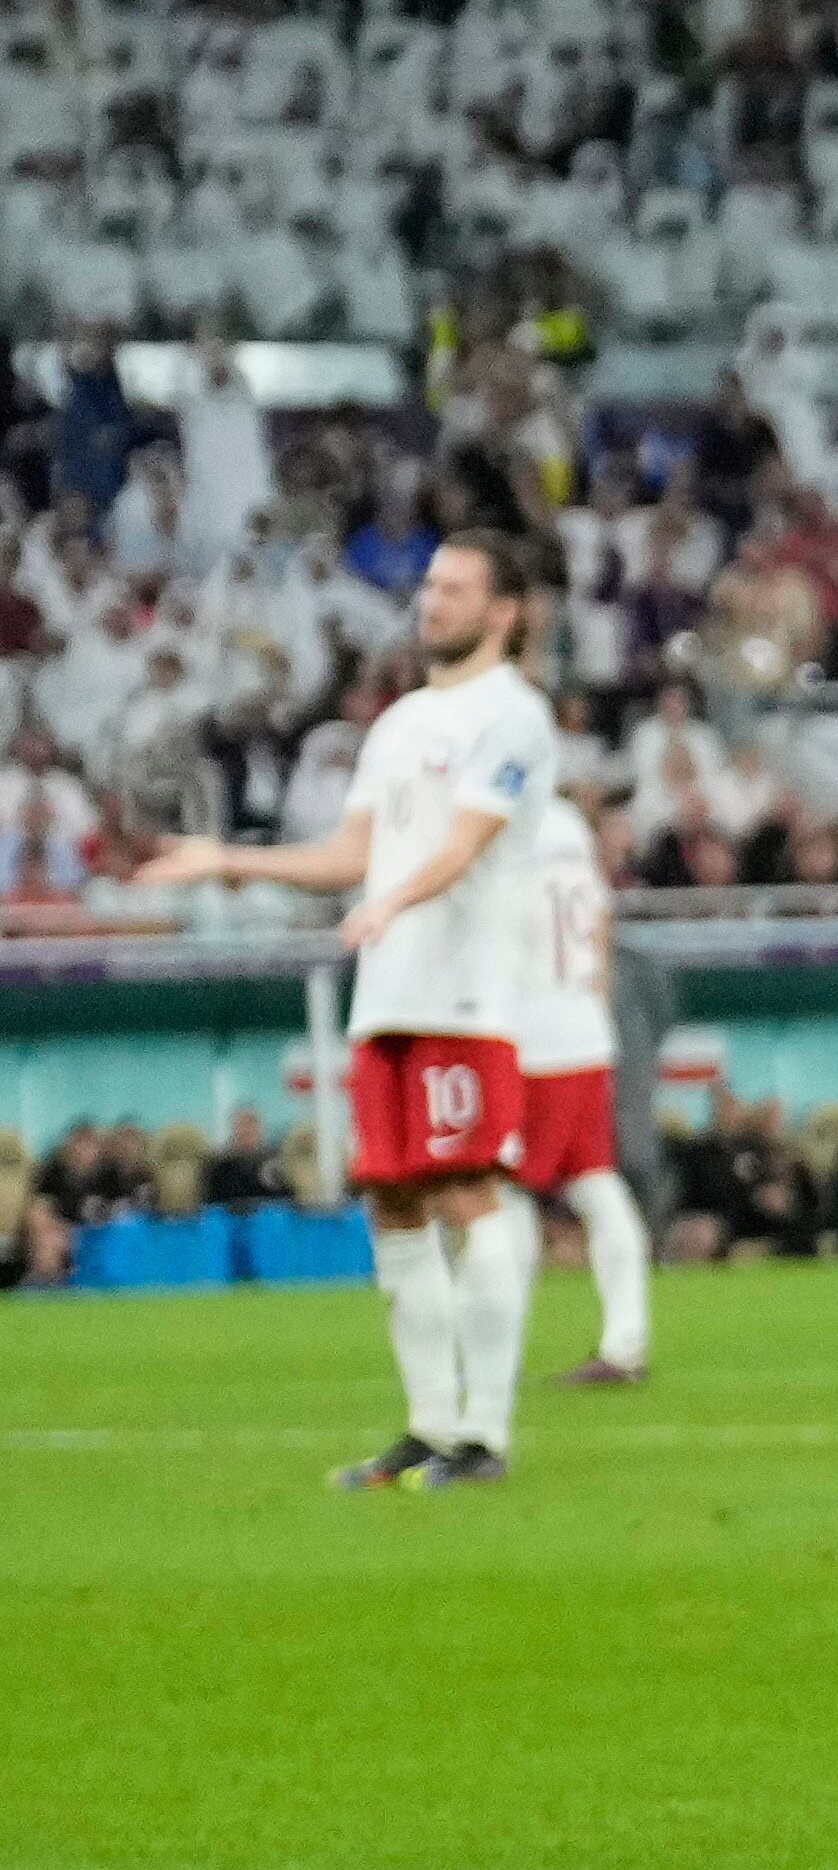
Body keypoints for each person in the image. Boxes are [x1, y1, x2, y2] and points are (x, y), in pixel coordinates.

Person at [136, 535, 556, 1489]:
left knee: (468, 1193)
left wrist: (391, 901)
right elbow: (349, 856)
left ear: (503, 613)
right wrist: (228, 860)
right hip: (389, 993)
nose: (431, 601)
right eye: (430, 585)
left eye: (455, 589)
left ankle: (486, 1433)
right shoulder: (399, 723)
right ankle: (428, 1423)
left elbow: (466, 844)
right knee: (394, 1203)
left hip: (465, 995)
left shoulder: (514, 716)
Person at [514, 786, 654, 1385]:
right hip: (584, 1031)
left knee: (507, 1191)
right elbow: (600, 921)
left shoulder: (500, 823)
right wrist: (594, 1007)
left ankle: (496, 1347)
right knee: (594, 1181)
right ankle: (626, 1341)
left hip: (530, 1038)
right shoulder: (568, 823)